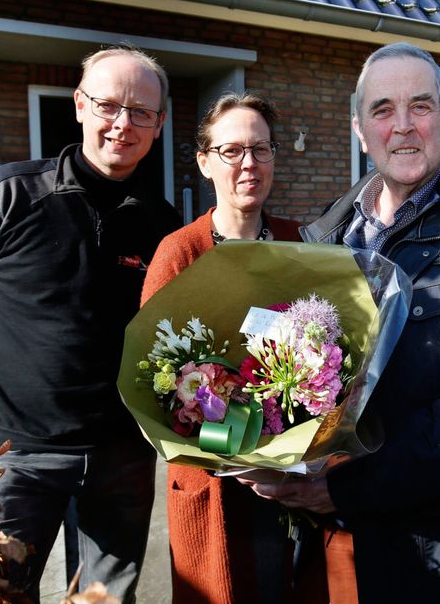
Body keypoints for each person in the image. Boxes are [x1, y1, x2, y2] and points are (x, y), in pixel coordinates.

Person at [245, 42, 440, 603]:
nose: (404, 127)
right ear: (361, 130)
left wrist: (343, 487)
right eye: (383, 110)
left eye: (421, 106)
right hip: (343, 549)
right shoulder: (329, 236)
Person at [0, 45, 182, 603]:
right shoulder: (9, 194)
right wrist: (15, 379)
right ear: (78, 105)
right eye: (109, 105)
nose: (123, 123)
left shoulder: (161, 223)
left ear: (160, 123)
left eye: (142, 111)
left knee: (107, 598)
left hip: (123, 453)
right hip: (19, 454)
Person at [140, 91, 354, 604]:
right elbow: (154, 384)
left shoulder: (298, 244)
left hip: (296, 476)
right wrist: (233, 450)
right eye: (231, 150)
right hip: (219, 485)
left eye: (261, 149)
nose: (248, 164)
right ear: (205, 161)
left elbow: (335, 351)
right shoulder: (180, 253)